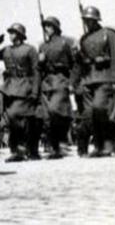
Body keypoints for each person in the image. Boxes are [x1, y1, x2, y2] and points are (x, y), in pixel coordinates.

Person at [0, 24, 40, 161]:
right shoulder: (6, 50)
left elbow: (36, 71)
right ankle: (19, 150)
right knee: (13, 120)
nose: (10, 35)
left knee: (20, 118)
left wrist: (35, 91)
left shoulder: (30, 49)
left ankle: (22, 150)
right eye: (10, 32)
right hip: (10, 89)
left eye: (13, 32)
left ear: (20, 34)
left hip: (25, 87)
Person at [74, 6, 115, 157]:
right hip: (88, 80)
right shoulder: (83, 39)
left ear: (96, 20)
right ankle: (99, 145)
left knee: (99, 108)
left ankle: (111, 141)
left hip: (105, 77)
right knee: (90, 115)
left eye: (90, 20)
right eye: (86, 20)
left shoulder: (109, 34)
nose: (88, 23)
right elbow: (80, 64)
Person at [38, 16, 75, 159]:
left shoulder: (66, 42)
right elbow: (38, 68)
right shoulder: (42, 46)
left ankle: (62, 141)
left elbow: (73, 64)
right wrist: (41, 62)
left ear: (55, 27)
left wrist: (71, 81)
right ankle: (55, 147)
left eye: (48, 26)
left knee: (56, 110)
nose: (46, 29)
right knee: (48, 116)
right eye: (45, 27)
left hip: (60, 79)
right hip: (47, 82)